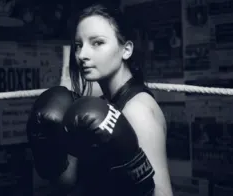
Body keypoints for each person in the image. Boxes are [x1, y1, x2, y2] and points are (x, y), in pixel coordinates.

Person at [26, 3, 173, 196]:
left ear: (126, 50)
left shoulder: (137, 111)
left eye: (97, 43)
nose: (82, 55)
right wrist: (49, 153)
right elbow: (69, 182)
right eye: (79, 45)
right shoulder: (99, 107)